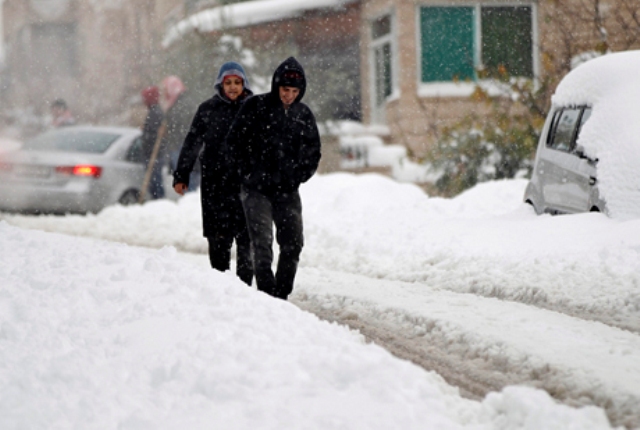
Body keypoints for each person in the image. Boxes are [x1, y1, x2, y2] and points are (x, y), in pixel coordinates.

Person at [226, 57, 321, 300]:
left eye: (294, 91)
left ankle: (281, 295)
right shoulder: (255, 107)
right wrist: (247, 174)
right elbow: (234, 143)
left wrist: (298, 176)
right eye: (284, 90)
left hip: (287, 191)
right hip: (256, 190)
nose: (289, 95)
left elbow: (313, 151)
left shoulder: (303, 115)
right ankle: (266, 296)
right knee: (262, 244)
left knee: (293, 243)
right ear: (276, 85)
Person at [173, 62, 254, 286]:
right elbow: (192, 142)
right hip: (215, 185)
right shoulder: (207, 109)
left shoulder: (254, 107)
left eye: (237, 82)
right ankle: (219, 287)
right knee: (218, 239)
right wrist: (181, 175)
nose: (233, 87)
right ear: (220, 84)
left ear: (244, 84)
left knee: (246, 240)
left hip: (245, 184)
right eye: (228, 83)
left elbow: (265, 144)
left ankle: (245, 289)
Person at [160, 76, 200, 191]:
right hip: (184, 148)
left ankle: (189, 204)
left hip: (182, 148)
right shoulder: (179, 102)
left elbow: (182, 127)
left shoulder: (181, 105)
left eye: (166, 89)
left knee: (188, 181)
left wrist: (168, 129)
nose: (165, 93)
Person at [140, 86, 165, 199]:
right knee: (154, 181)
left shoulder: (155, 113)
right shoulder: (154, 111)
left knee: (155, 181)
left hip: (154, 154)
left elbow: (153, 135)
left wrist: (146, 135)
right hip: (152, 153)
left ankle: (158, 201)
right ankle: (157, 201)